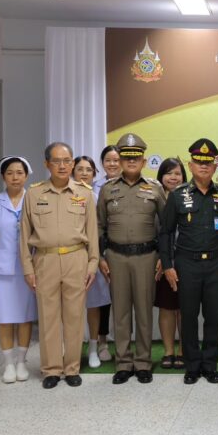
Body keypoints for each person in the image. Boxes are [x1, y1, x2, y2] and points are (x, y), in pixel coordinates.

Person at [19, 142, 99, 389]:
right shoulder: (34, 194)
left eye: (67, 161)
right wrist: (28, 269)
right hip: (45, 260)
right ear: (47, 164)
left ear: (72, 163)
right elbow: (24, 236)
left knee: (75, 317)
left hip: (77, 259)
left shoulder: (84, 193)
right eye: (56, 161)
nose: (62, 166)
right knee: (48, 317)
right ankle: (51, 369)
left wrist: (92, 265)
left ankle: (72, 368)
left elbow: (92, 233)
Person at [159, 138, 218, 385]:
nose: (204, 166)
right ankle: (192, 365)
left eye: (208, 162)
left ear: (215, 166)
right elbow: (166, 233)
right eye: (199, 162)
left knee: (213, 316)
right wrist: (168, 265)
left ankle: (210, 364)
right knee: (189, 317)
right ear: (190, 165)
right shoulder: (178, 195)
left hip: (216, 265)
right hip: (187, 264)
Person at [98, 134, 166, 384]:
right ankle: (124, 363)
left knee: (144, 311)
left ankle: (143, 362)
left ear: (144, 161)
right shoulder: (107, 189)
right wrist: (100, 257)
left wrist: (163, 257)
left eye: (136, 157)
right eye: (126, 157)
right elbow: (99, 225)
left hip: (146, 257)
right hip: (115, 257)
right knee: (121, 311)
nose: (131, 161)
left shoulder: (155, 188)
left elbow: (165, 227)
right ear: (120, 160)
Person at [0, 156, 38, 384]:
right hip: (0, 270)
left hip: (28, 269)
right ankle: (9, 364)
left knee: (25, 317)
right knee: (4, 319)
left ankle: (21, 361)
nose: (15, 177)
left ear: (26, 176)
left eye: (19, 173)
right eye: (10, 173)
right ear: (3, 176)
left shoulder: (35, 200)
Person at [72, 156, 111, 369]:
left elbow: (103, 230)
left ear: (94, 174)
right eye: (80, 169)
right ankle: (73, 350)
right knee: (72, 308)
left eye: (88, 170)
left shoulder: (97, 197)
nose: (84, 173)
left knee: (95, 305)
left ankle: (94, 348)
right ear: (72, 172)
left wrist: (100, 257)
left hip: (93, 258)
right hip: (70, 258)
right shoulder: (64, 195)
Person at [154, 158, 186, 370]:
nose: (173, 177)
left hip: (185, 260)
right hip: (160, 262)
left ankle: (183, 350)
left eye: (177, 173)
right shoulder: (153, 197)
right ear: (161, 176)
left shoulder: (189, 196)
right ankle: (168, 351)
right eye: (168, 173)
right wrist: (161, 258)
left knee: (184, 307)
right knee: (166, 307)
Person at [91, 144, 120, 362]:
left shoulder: (137, 185)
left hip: (124, 248)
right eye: (108, 160)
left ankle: (124, 342)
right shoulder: (94, 188)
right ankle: (102, 341)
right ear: (102, 163)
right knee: (103, 298)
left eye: (116, 160)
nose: (112, 164)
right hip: (102, 248)